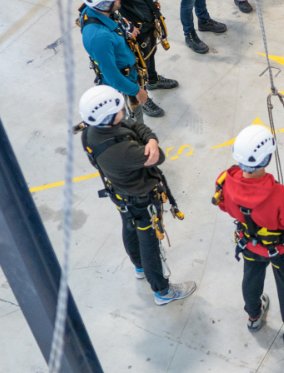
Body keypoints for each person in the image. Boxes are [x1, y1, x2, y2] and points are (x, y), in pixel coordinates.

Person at [76, 85, 196, 305]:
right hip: (141, 199)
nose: (123, 107)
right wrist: (151, 142)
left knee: (130, 228)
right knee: (149, 243)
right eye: (118, 108)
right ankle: (163, 291)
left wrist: (150, 139)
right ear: (108, 116)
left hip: (122, 195)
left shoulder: (91, 132)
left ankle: (139, 266)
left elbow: (133, 124)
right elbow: (159, 157)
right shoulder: (122, 152)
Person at [213, 125, 284, 345]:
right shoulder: (281, 195)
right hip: (280, 251)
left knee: (251, 278)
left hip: (249, 245)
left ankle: (254, 316)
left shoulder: (224, 180)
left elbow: (223, 206)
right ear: (268, 158)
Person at [104, 0, 177, 119]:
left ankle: (153, 80)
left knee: (150, 54)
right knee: (138, 66)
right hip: (135, 32)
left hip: (148, 23)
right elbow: (110, 12)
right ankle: (143, 99)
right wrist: (127, 28)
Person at [78, 0, 148, 125]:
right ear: (104, 5)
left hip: (127, 75)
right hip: (123, 85)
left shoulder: (92, 12)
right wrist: (136, 91)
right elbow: (113, 76)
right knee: (135, 123)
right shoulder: (100, 37)